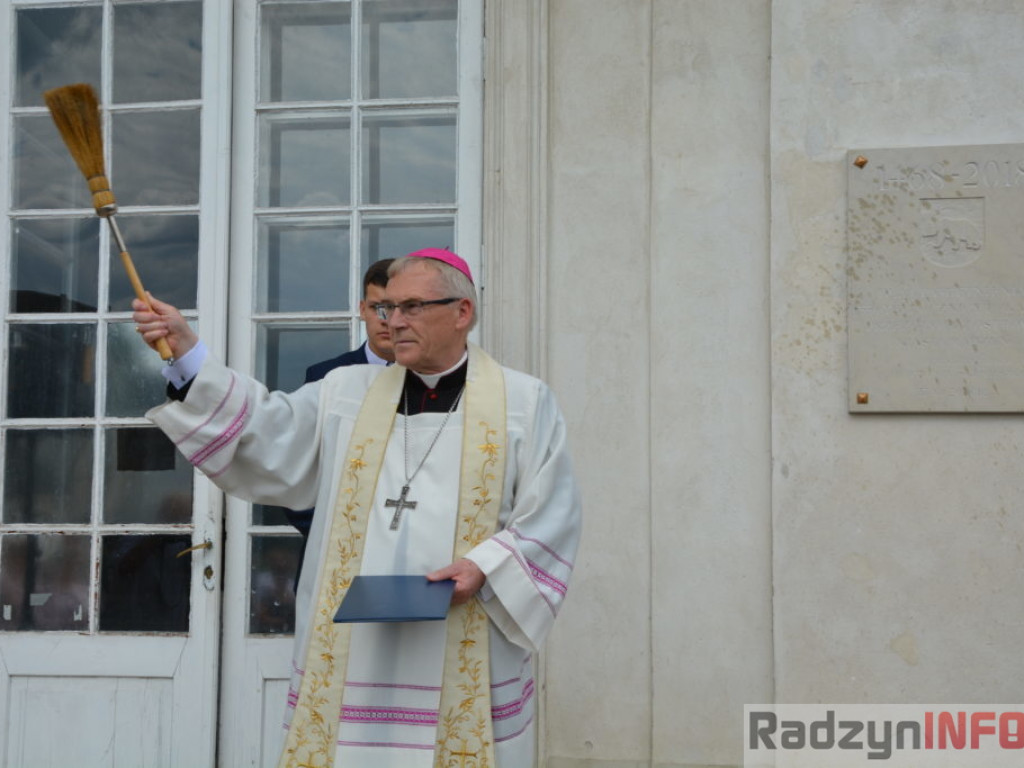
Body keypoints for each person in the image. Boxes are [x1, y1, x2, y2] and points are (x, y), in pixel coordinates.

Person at [132, 248, 582, 768]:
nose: (394, 321)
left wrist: (484, 566)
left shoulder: (524, 402)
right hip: (354, 646)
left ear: (463, 313)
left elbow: (553, 513)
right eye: (387, 308)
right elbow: (266, 429)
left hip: (463, 636)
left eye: (412, 306)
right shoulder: (345, 391)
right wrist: (189, 354)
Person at [285, 258, 395, 583]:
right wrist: (330, 534)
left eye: (399, 308)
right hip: (331, 563)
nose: (388, 320)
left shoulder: (431, 380)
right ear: (362, 309)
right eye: (379, 308)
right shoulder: (325, 377)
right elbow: (296, 470)